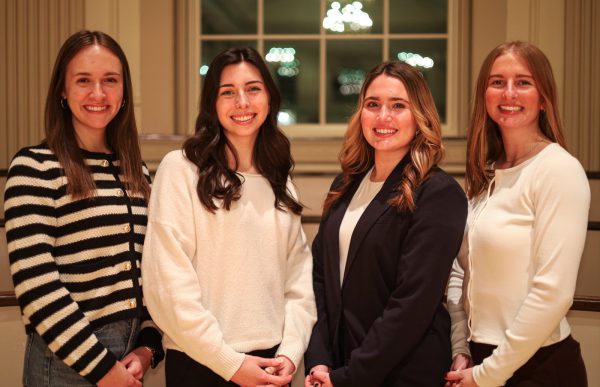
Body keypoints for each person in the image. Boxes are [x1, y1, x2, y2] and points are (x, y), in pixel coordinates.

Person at [141, 47, 316, 387]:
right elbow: (168, 286)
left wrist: (290, 353)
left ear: (269, 97)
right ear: (212, 103)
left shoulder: (282, 185)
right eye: (227, 92)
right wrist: (229, 363)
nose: (242, 102)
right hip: (200, 363)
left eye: (253, 89)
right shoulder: (181, 170)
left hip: (271, 366)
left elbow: (299, 287)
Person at [3, 30, 164, 387]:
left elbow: (151, 268)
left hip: (129, 359)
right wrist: (104, 370)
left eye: (110, 80)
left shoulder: (136, 171)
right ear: (62, 90)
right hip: (66, 363)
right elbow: (36, 287)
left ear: (124, 91)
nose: (98, 94)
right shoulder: (35, 168)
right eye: (83, 81)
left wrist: (148, 348)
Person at [304, 60, 468, 387]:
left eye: (398, 106)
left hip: (402, 372)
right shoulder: (346, 184)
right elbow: (320, 279)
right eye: (372, 105)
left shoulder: (438, 193)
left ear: (419, 116)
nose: (383, 117)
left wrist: (350, 377)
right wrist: (319, 360)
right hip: (338, 367)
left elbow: (412, 304)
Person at [445, 41, 590, 387]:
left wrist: (488, 374)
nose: (509, 92)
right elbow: (460, 271)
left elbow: (554, 293)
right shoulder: (485, 176)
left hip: (538, 367)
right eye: (497, 82)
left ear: (544, 98)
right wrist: (461, 345)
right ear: (484, 95)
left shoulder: (558, 170)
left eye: (523, 82)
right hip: (478, 361)